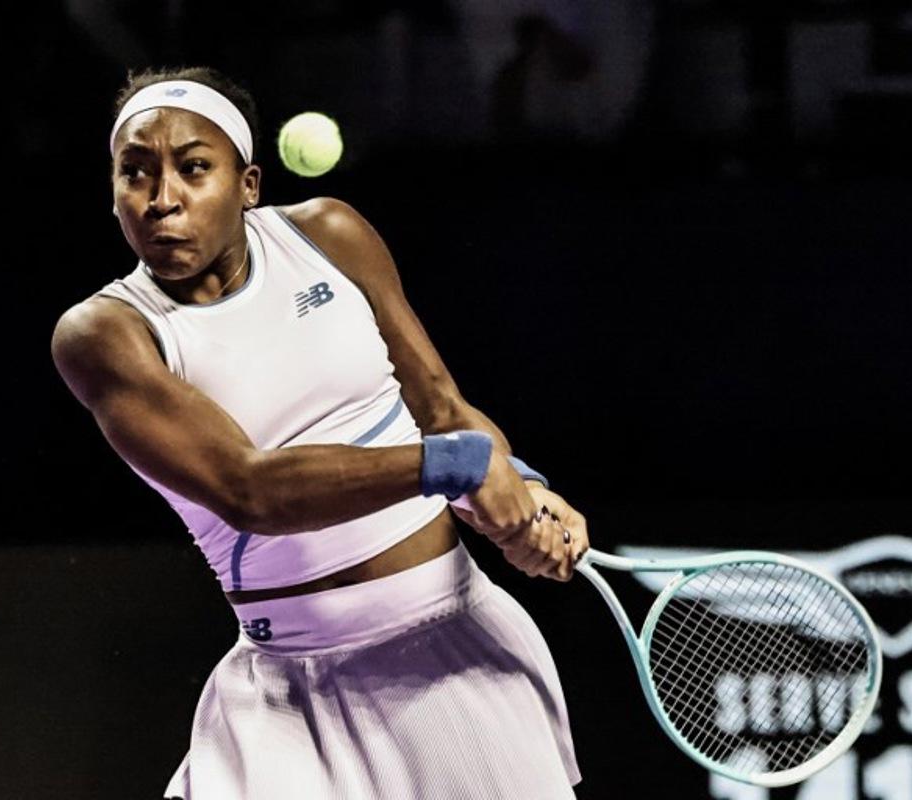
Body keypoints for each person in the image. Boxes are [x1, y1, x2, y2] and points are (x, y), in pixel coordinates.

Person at [50, 66, 590, 799]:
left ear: (248, 184)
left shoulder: (330, 235)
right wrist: (455, 467)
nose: (162, 200)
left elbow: (441, 405)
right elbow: (249, 490)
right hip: (284, 694)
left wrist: (520, 489)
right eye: (135, 173)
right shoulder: (105, 333)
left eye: (193, 169)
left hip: (455, 649)